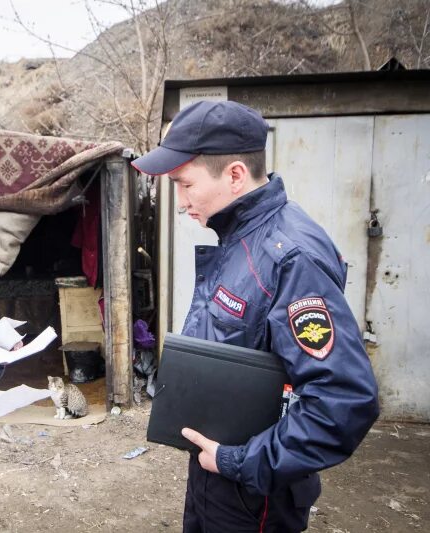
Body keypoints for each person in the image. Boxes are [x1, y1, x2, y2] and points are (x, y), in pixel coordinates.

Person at [132, 101, 379, 532]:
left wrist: (238, 461)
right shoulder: (238, 235)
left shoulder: (290, 256)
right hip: (217, 472)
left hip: (254, 496)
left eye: (185, 184)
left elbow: (344, 402)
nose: (180, 201)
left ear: (234, 176)